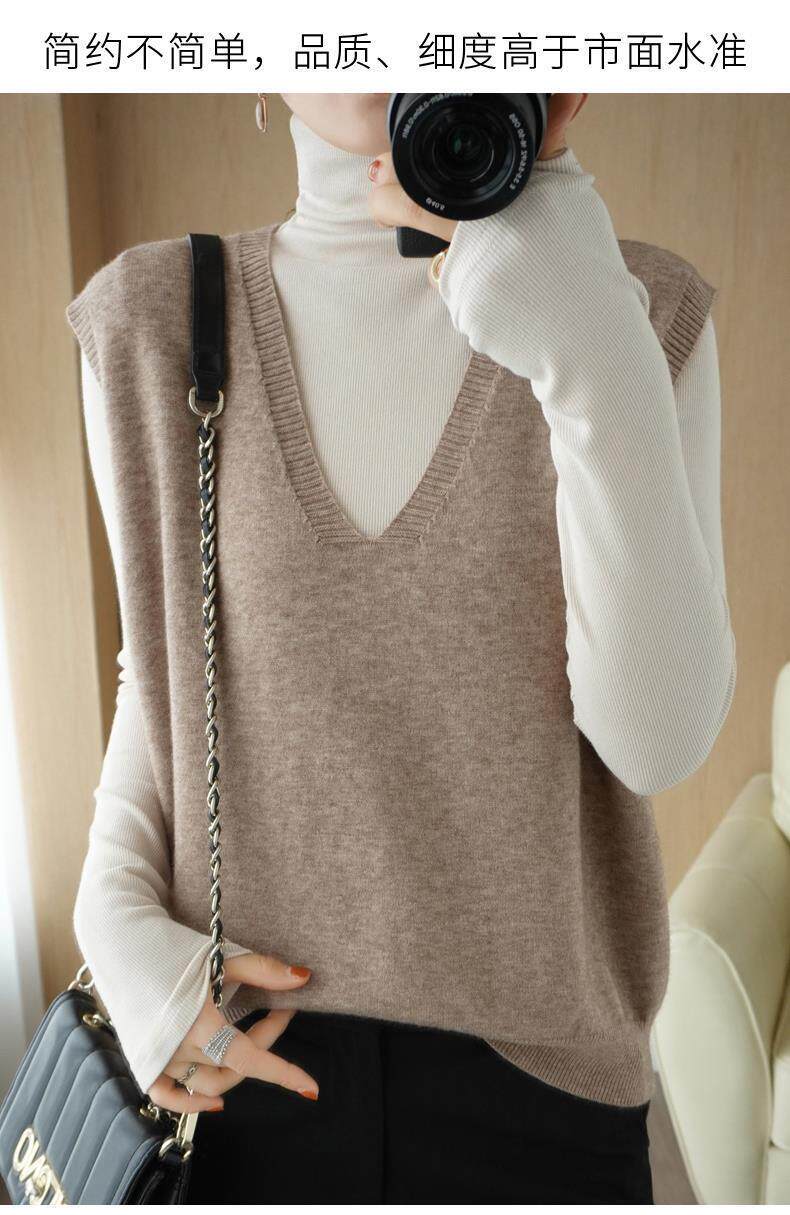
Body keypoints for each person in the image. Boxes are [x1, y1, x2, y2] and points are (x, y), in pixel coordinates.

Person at [66, 93, 736, 1203]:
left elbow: (655, 742)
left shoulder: (637, 311)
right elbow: (166, 672)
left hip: (544, 1095)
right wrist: (116, 921)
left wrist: (589, 344)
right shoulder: (150, 322)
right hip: (233, 1059)